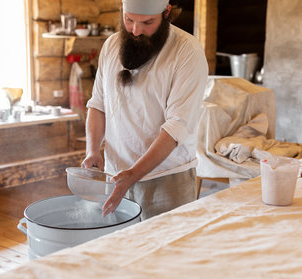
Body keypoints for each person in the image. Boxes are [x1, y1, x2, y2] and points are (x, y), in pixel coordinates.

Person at [82, 0, 208, 219]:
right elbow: (98, 105)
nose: (136, 30)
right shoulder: (111, 46)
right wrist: (92, 150)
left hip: (167, 180)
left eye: (147, 22)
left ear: (167, 12)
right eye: (129, 19)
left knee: (166, 250)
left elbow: (177, 126)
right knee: (121, 250)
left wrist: (134, 174)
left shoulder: (187, 51)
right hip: (115, 176)